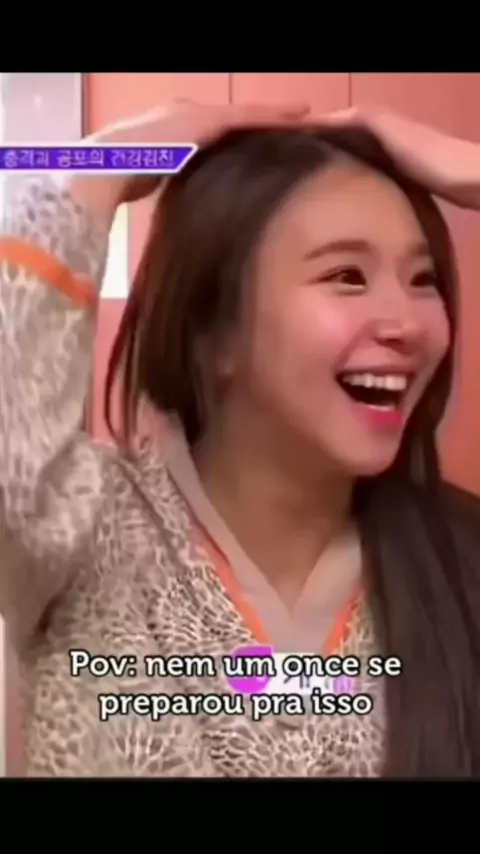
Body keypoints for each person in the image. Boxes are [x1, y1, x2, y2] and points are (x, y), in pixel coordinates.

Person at [1, 100, 480, 778]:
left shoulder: (460, 563)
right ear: (213, 332)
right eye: (347, 275)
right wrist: (97, 167)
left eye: (423, 279)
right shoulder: (80, 534)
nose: (407, 324)